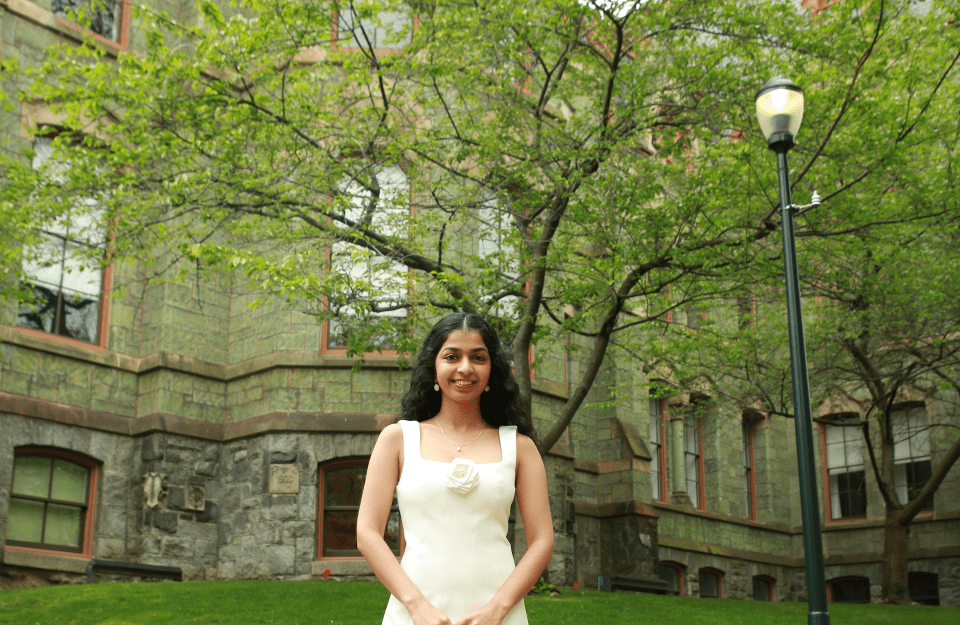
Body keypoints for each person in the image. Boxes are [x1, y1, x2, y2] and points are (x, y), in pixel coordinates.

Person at [357, 312, 554, 625]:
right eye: (452, 356)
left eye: (478, 357)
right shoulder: (398, 439)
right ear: (434, 366)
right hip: (414, 614)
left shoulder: (520, 448)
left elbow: (543, 540)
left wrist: (498, 609)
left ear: (492, 369)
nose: (465, 368)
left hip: (499, 615)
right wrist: (417, 607)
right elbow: (367, 533)